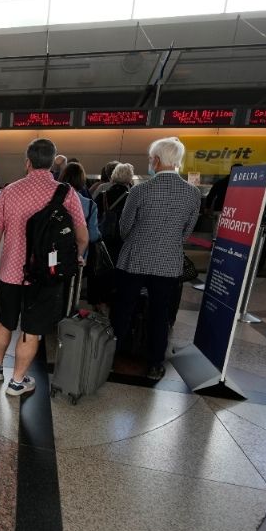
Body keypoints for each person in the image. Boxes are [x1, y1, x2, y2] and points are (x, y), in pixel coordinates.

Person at [0, 139, 88, 396]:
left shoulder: (9, 191)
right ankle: (17, 382)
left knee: (5, 320)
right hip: (46, 275)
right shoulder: (66, 193)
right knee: (32, 329)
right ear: (53, 163)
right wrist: (78, 257)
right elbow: (82, 236)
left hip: (11, 272)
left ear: (27, 161)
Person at [112, 137, 201, 381]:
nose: (151, 162)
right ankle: (154, 363)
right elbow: (187, 232)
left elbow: (125, 228)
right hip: (168, 263)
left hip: (134, 260)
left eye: (152, 158)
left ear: (158, 160)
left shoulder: (140, 190)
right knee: (160, 314)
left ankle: (111, 355)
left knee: (123, 309)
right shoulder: (192, 194)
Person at [90, 163, 135, 311]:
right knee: (118, 270)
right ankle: (114, 301)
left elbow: (93, 217)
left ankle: (99, 302)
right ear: (129, 178)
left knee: (101, 270)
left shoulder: (103, 195)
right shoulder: (132, 197)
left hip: (104, 239)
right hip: (122, 241)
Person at [60, 162, 100, 246]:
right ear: (81, 179)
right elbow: (93, 236)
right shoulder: (90, 205)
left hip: (54, 253)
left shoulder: (51, 200)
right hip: (80, 254)